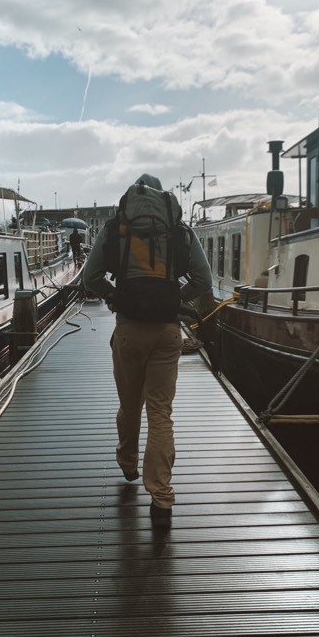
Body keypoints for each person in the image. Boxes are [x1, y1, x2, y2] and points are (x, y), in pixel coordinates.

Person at [83, 173, 212, 528]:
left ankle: (127, 463)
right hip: (167, 334)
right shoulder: (178, 230)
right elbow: (203, 280)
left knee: (130, 405)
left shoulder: (115, 228)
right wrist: (173, 301)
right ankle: (161, 498)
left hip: (127, 331)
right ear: (164, 201)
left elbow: (89, 278)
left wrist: (116, 297)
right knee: (160, 412)